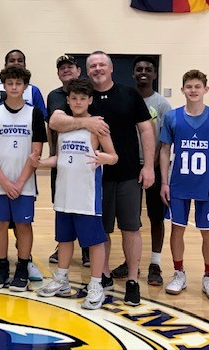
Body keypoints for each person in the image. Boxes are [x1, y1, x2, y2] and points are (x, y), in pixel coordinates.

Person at [49, 51, 155, 307]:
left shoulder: (129, 94)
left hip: (127, 172)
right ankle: (103, 277)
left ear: (111, 69)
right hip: (94, 178)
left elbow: (145, 129)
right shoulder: (84, 98)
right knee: (101, 231)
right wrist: (86, 122)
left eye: (101, 65)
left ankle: (132, 280)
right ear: (87, 70)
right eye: (92, 65)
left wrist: (149, 166)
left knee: (131, 228)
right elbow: (56, 121)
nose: (97, 69)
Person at [35, 78, 118, 310]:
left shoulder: (98, 126)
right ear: (68, 100)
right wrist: (41, 162)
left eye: (83, 98)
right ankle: (61, 278)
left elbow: (113, 155)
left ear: (90, 100)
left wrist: (105, 158)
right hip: (64, 194)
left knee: (94, 242)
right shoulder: (64, 126)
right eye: (74, 98)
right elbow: (60, 157)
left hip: (86, 196)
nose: (78, 102)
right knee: (64, 239)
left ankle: (96, 284)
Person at [159, 70, 209, 301]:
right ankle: (178, 273)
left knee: (208, 232)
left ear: (205, 90)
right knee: (177, 228)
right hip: (179, 182)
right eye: (188, 86)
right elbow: (164, 151)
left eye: (197, 87)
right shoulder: (172, 117)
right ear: (182, 90)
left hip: (207, 185)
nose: (193, 90)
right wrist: (164, 182)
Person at [0, 66, 46, 292]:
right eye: (10, 83)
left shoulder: (35, 114)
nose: (14, 87)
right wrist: (4, 181)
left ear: (25, 86)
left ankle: (22, 267)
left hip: (24, 183)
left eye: (18, 83)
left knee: (23, 224)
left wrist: (18, 183)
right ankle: (1, 266)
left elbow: (36, 152)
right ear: (4, 86)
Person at [111, 56, 172, 285]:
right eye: (139, 69)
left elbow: (165, 141)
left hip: (153, 168)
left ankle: (155, 264)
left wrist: (151, 166)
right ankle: (131, 262)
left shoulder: (162, 105)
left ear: (155, 74)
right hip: (128, 168)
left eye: (148, 69)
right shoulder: (127, 98)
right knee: (131, 220)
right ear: (133, 74)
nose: (143, 72)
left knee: (155, 217)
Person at [46, 55, 83, 266]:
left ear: (78, 70)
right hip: (61, 158)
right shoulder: (55, 95)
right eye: (62, 68)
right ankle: (63, 244)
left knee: (84, 204)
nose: (66, 70)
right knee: (61, 203)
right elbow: (55, 124)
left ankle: (86, 248)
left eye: (70, 67)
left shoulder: (89, 91)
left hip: (85, 159)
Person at [0, 50, 47, 118]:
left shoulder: (33, 90)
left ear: (25, 64)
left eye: (20, 61)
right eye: (12, 61)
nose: (16, 63)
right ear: (5, 65)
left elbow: (42, 116)